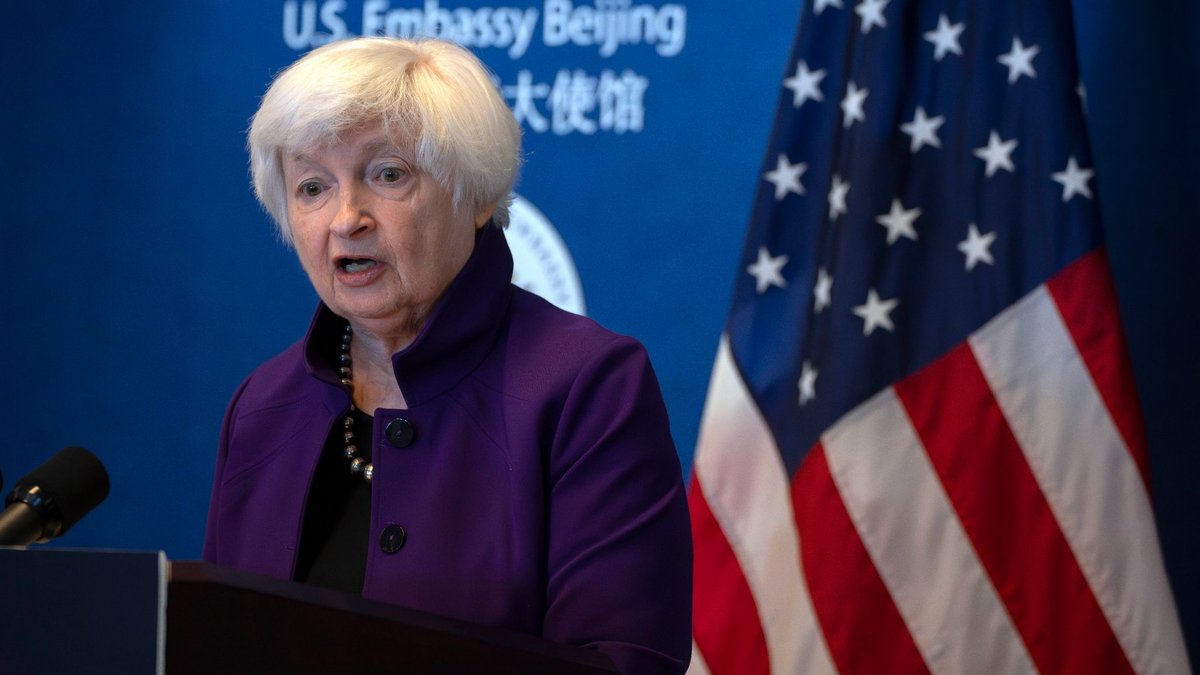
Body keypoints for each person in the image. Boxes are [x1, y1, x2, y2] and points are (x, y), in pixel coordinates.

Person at [201, 37, 692, 674]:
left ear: (477, 194)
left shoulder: (585, 386)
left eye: (388, 175)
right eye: (313, 187)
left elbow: (624, 662)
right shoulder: (262, 406)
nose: (347, 218)